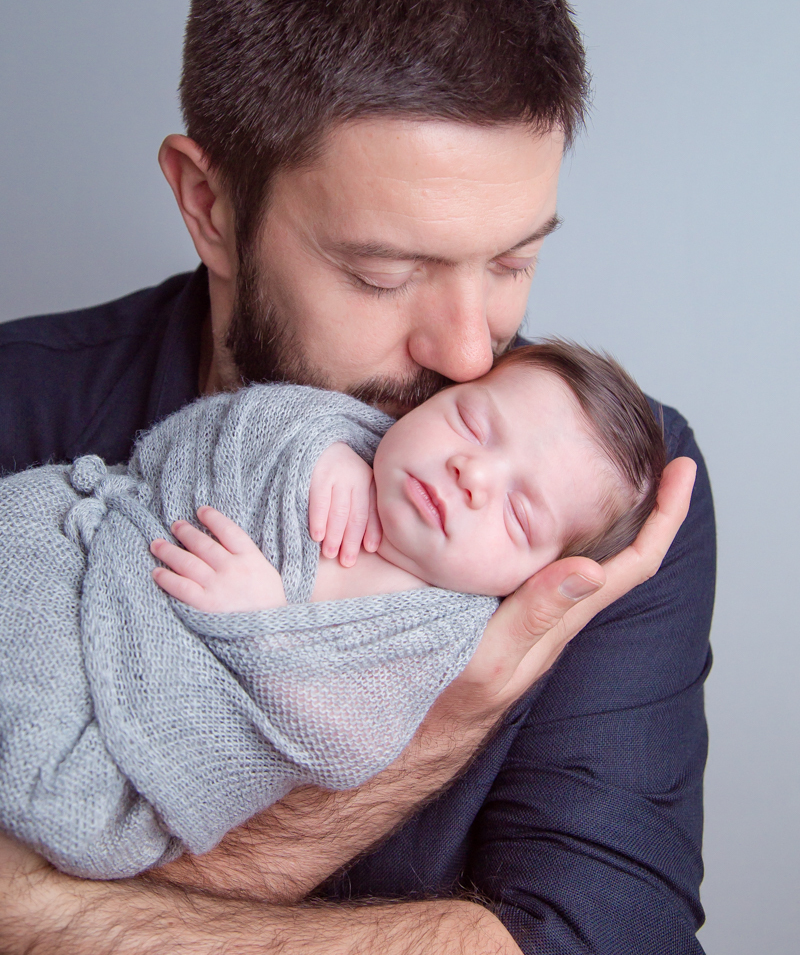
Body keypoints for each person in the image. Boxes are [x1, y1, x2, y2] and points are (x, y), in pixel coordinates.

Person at [0, 0, 714, 955]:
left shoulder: (602, 496)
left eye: (512, 261)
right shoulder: (19, 403)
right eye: (386, 273)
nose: (469, 352)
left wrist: (34, 918)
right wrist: (438, 732)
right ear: (210, 206)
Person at [0, 342, 666, 883]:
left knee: (56, 789)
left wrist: (258, 627)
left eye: (520, 513)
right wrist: (313, 450)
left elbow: (347, 744)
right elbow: (179, 448)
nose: (473, 473)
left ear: (535, 576)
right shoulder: (330, 431)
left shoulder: (441, 633)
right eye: (472, 424)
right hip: (83, 565)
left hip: (140, 732)